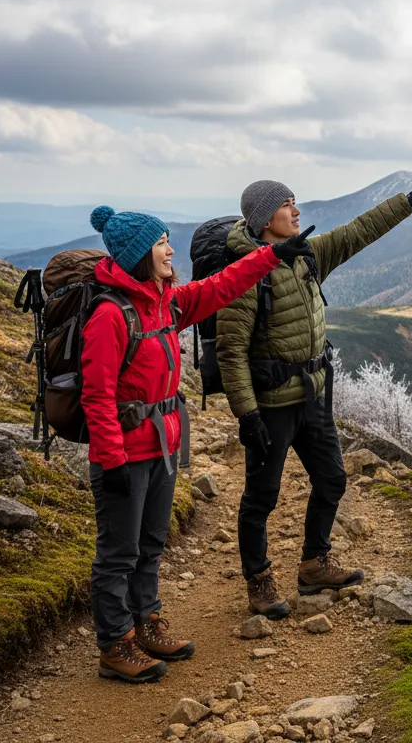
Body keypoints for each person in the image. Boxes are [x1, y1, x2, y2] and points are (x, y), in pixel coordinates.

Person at [82, 205, 313, 684]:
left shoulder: (164, 302)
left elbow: (221, 286)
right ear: (138, 254)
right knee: (118, 554)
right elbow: (97, 396)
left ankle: (146, 623)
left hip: (162, 447)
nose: (170, 250)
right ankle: (115, 645)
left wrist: (272, 255)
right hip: (124, 455)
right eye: (161, 243)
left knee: (149, 546)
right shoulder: (110, 316)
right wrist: (111, 461)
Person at [217, 172, 412, 616]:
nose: (297, 210)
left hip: (313, 395)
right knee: (261, 497)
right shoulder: (245, 275)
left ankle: (314, 563)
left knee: (332, 478)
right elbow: (231, 352)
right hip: (271, 407)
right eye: (288, 204)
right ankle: (259, 580)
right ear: (267, 217)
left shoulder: (308, 255)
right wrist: (247, 415)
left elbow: (360, 230)